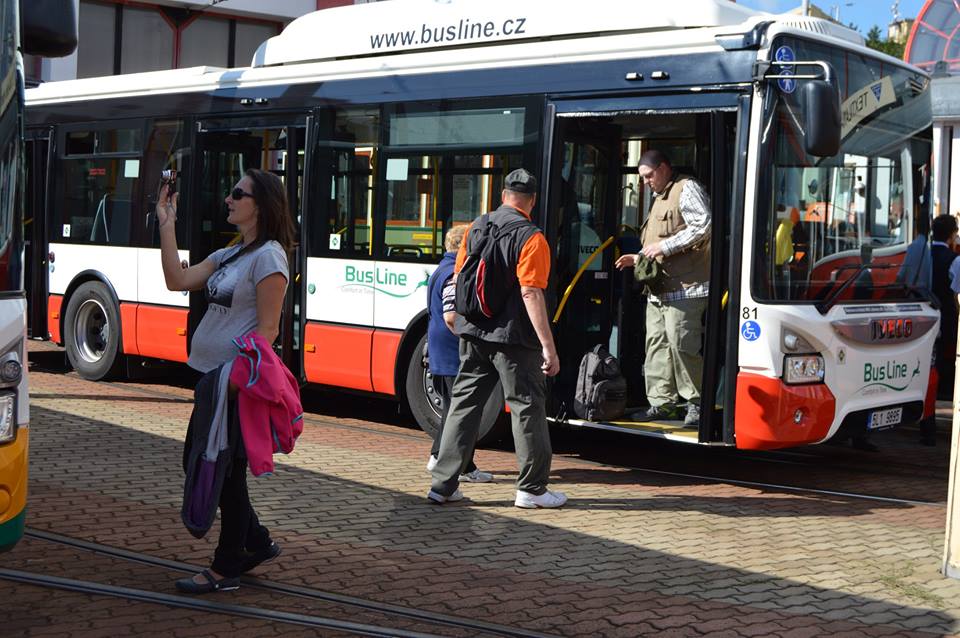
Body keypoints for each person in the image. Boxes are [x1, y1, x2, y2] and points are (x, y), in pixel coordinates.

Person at [158, 168, 295, 593]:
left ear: (262, 205)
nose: (229, 199)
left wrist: (234, 382)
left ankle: (227, 565)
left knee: (223, 473)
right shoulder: (233, 253)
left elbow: (268, 330)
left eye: (238, 193)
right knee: (204, 464)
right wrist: (167, 222)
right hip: (209, 381)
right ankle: (254, 542)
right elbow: (176, 280)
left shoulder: (269, 256)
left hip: (231, 384)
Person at [428, 168, 566, 509]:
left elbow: (459, 276)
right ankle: (531, 489)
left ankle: (442, 485)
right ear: (532, 201)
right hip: (515, 340)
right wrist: (548, 346)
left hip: (473, 332)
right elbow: (531, 292)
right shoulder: (532, 237)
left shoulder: (477, 227)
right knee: (526, 407)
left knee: (463, 405)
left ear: (503, 195)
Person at [615, 150, 711, 426]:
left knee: (682, 344)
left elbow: (704, 224)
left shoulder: (686, 188)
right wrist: (640, 258)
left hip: (686, 288)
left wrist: (663, 247)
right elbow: (657, 244)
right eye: (642, 178)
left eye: (649, 176)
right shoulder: (659, 198)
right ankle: (662, 403)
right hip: (659, 289)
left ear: (664, 168)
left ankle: (695, 402)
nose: (645, 182)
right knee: (656, 344)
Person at [424, 225, 493, 483]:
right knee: (463, 411)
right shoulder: (455, 272)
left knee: (454, 408)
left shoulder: (438, 269)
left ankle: (439, 455)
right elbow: (452, 317)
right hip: (453, 349)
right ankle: (464, 467)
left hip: (438, 346)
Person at [931, 214, 960, 405]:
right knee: (943, 359)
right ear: (951, 235)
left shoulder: (922, 253)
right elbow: (955, 292)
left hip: (925, 314)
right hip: (946, 317)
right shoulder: (955, 260)